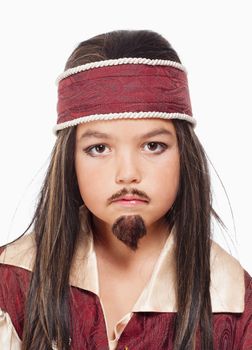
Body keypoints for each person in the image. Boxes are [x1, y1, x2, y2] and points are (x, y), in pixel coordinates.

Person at [0, 29, 251, 350]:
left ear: (183, 156)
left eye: (153, 145)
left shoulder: (237, 307)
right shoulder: (11, 281)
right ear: (70, 160)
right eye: (99, 148)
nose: (128, 174)